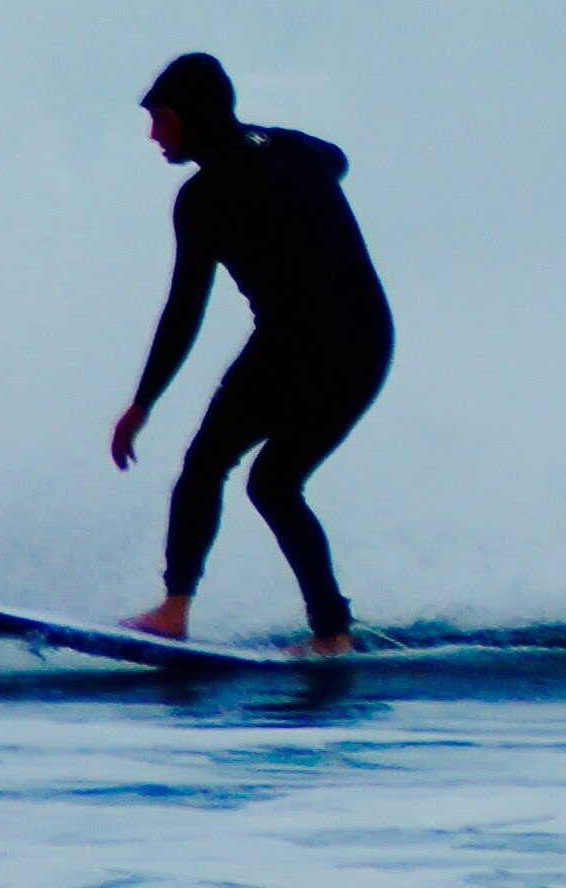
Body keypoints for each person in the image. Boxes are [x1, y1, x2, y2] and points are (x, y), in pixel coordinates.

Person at [110, 53, 394, 656]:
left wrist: (142, 403)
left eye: (162, 119)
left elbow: (185, 308)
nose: (154, 135)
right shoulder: (292, 149)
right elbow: (335, 158)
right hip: (367, 339)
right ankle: (331, 632)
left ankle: (174, 611)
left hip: (302, 342)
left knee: (211, 465)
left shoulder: (204, 198)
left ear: (193, 116)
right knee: (275, 482)